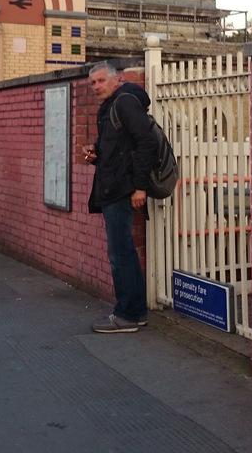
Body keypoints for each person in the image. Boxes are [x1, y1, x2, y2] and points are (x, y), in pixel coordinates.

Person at [81, 62, 158, 334]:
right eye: (93, 83)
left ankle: (127, 315)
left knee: (120, 253)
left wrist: (140, 187)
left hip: (121, 189)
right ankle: (135, 312)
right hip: (113, 186)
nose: (96, 87)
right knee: (122, 251)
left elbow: (146, 143)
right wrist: (96, 153)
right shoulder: (110, 106)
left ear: (117, 80)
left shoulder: (124, 102)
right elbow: (119, 148)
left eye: (101, 81)